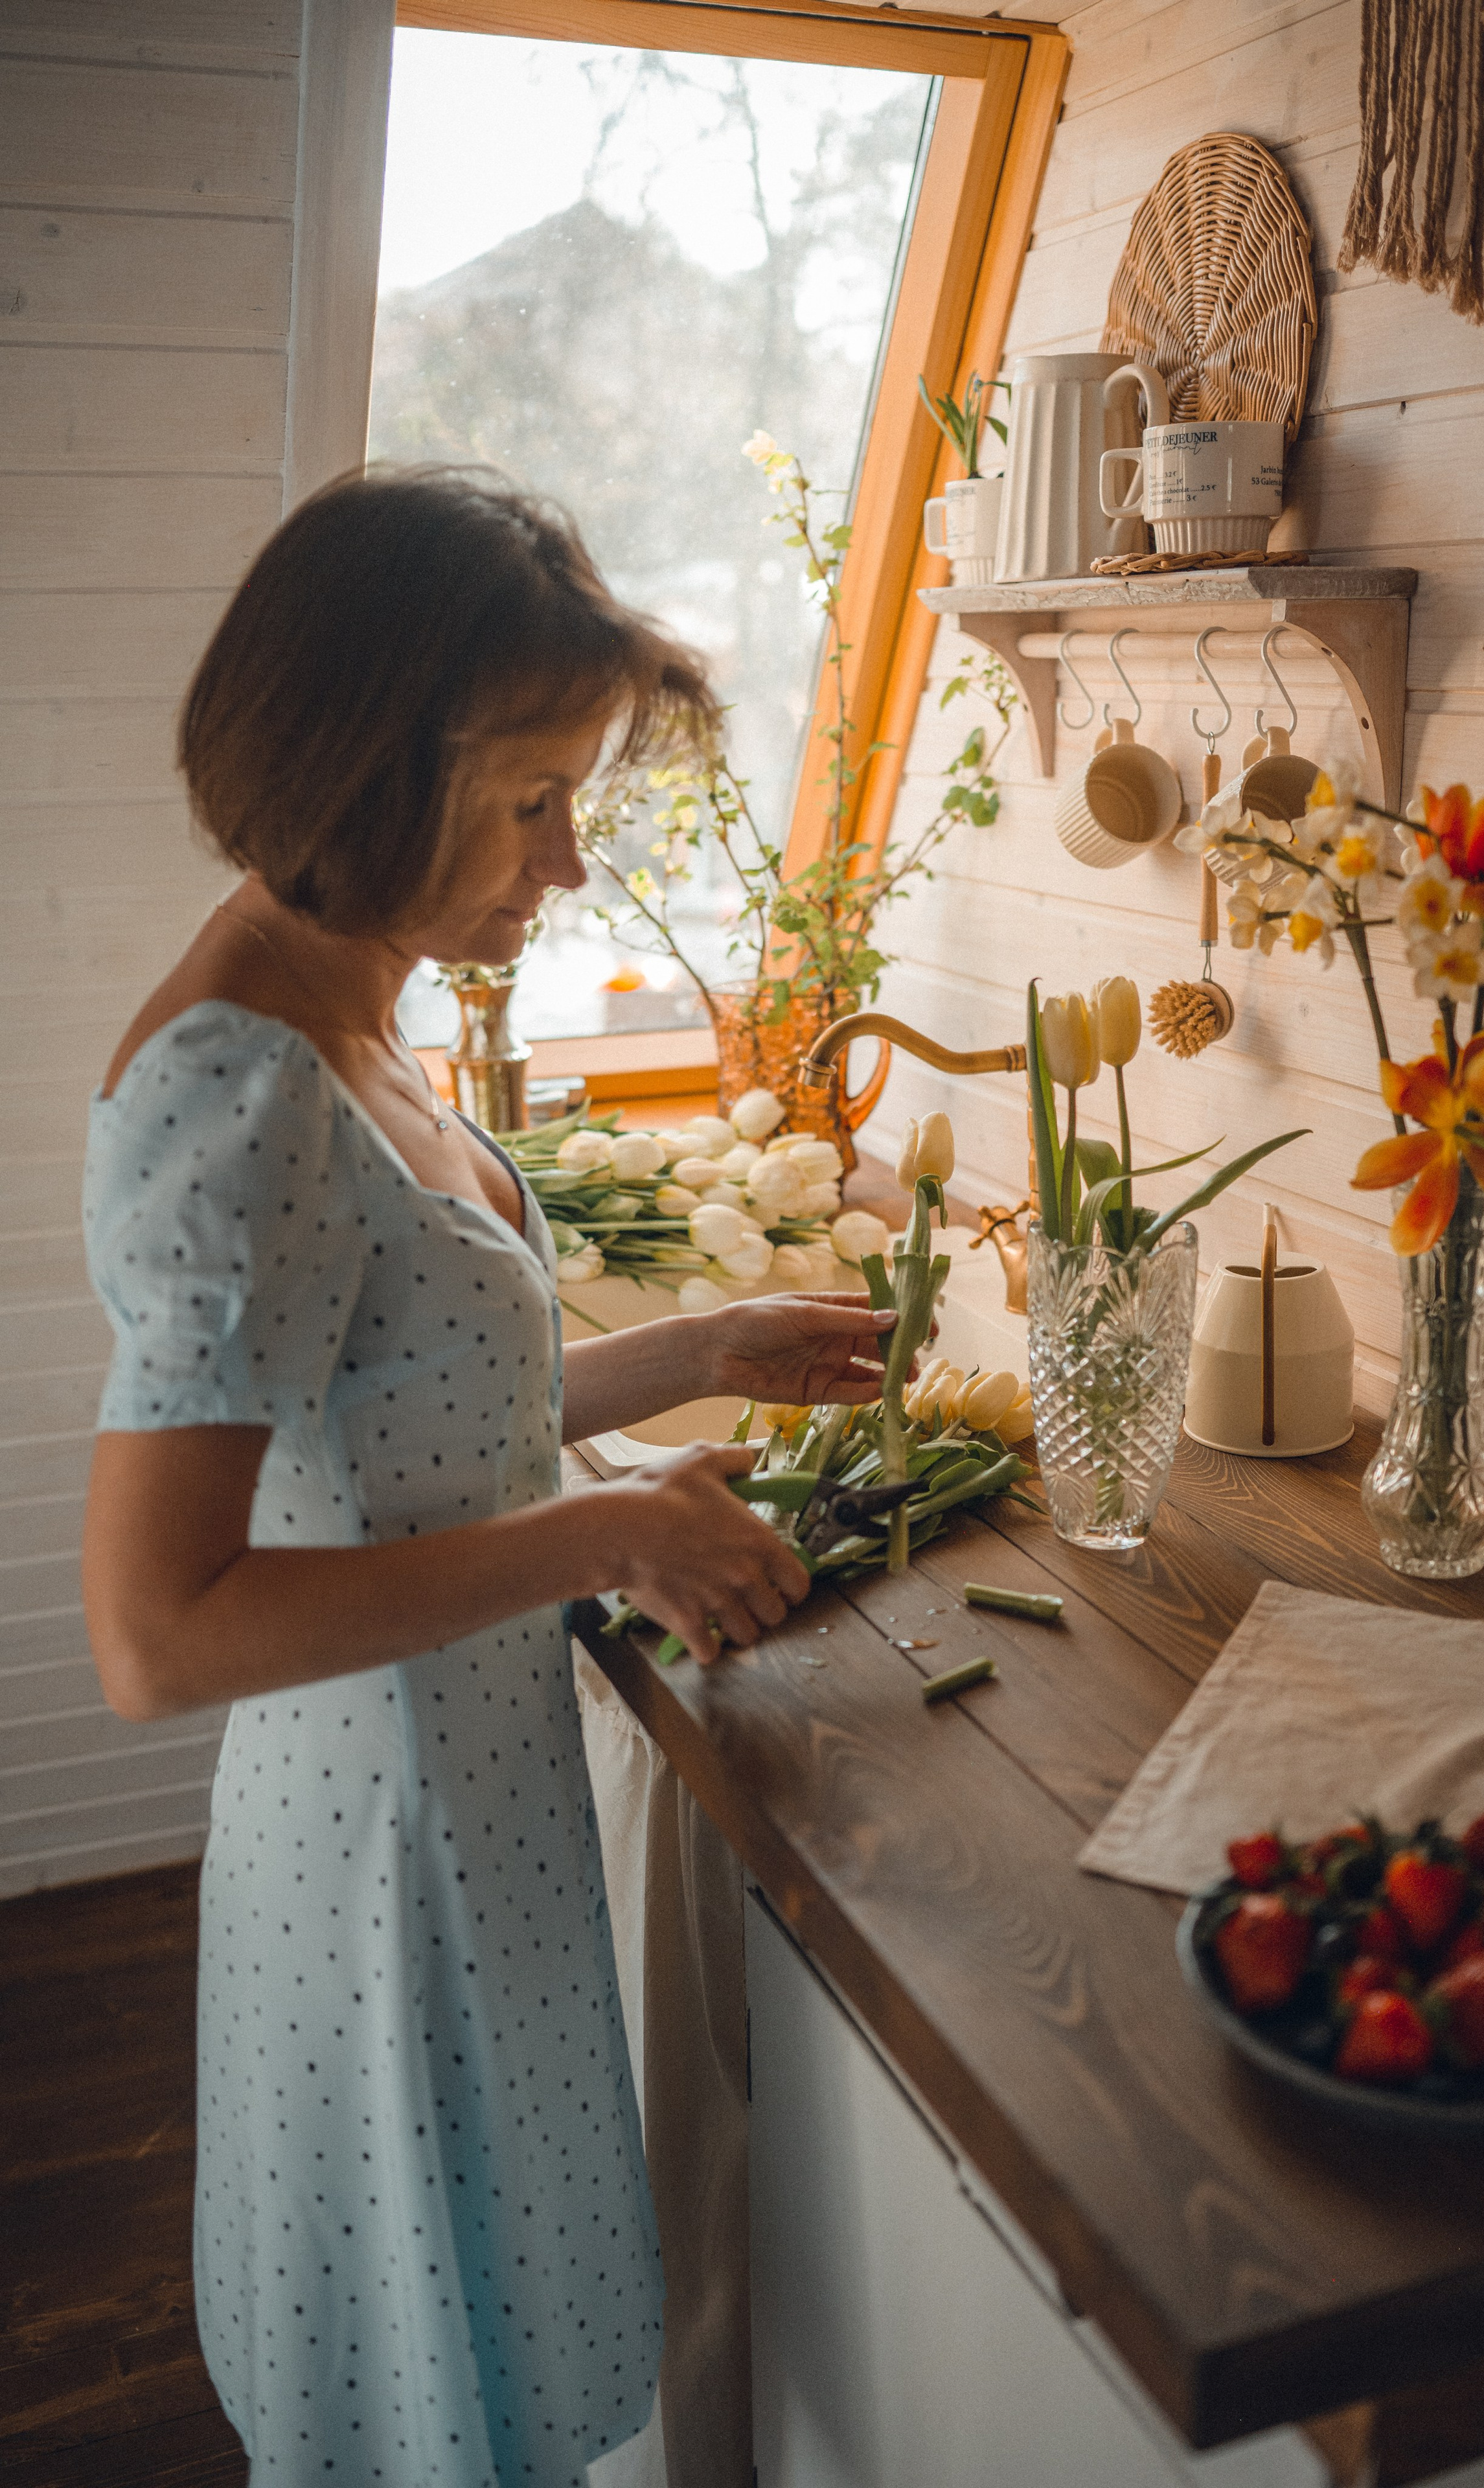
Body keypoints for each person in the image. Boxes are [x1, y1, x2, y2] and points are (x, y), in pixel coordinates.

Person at [80, 469, 896, 2488]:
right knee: (423, 2398)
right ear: (370, 763)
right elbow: (158, 1635)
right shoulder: (233, 1089)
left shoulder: (358, 1015)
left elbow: (395, 1441)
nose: (568, 858)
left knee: (487, 2377)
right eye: (535, 801)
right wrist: (612, 1527)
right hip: (385, 1856)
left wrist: (694, 1355)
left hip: (467, 1808)